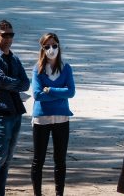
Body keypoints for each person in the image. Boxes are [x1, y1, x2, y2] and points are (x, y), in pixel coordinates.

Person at [0, 19, 31, 196]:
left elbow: (26, 83)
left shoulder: (15, 59)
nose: (8, 38)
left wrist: (13, 84)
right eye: (5, 35)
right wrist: (15, 83)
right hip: (0, 113)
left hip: (16, 112)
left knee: (7, 159)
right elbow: (1, 80)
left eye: (11, 35)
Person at [30, 32, 75, 196]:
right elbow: (37, 95)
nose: (51, 49)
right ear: (42, 48)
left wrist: (50, 90)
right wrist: (59, 94)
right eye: (47, 46)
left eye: (54, 46)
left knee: (60, 160)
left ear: (59, 46)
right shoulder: (37, 69)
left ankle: (59, 194)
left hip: (62, 118)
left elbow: (71, 92)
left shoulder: (66, 67)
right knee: (38, 160)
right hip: (41, 119)